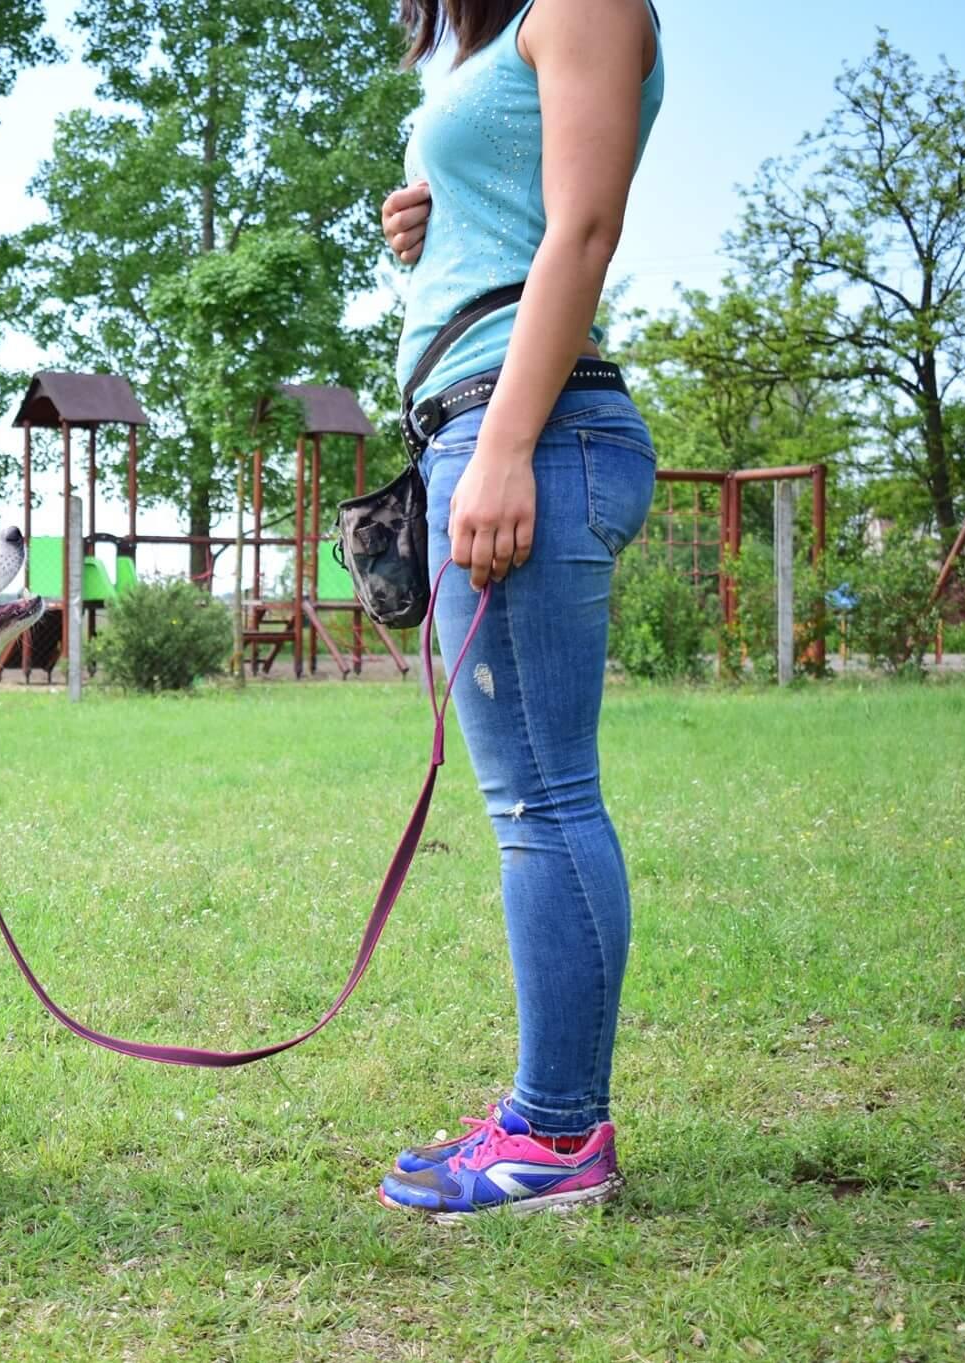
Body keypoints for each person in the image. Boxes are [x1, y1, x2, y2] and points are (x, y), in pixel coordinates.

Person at [372, 0, 665, 1218]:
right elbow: (529, 211)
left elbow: (585, 226)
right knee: (528, 798)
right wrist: (430, 224)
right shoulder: (502, 35)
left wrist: (500, 449)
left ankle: (555, 1137)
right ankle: (548, 1115)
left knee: (540, 799)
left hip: (525, 430)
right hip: (482, 419)